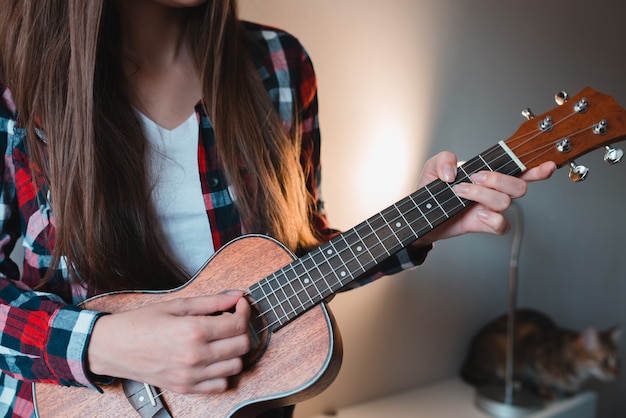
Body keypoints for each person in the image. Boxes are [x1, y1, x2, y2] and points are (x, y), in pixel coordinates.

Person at [0, 1, 556, 417]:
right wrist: (107, 343)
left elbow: (295, 259)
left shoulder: (279, 64)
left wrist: (424, 225)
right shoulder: (17, 89)